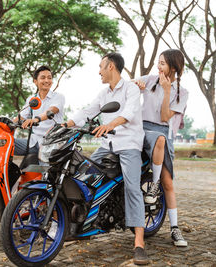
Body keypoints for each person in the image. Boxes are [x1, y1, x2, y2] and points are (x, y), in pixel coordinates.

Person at [65, 53, 151, 265]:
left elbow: (130, 112)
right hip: (107, 145)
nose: (99, 71)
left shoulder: (130, 88)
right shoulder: (104, 93)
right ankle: (85, 221)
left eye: (101, 67)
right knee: (81, 173)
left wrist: (110, 125)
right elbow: (89, 111)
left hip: (129, 144)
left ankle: (139, 243)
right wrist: (65, 125)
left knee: (132, 188)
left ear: (111, 66)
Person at [134, 49, 188, 247]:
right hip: (141, 128)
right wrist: (135, 84)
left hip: (163, 131)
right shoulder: (150, 79)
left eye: (163, 63)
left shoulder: (182, 92)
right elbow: (126, 86)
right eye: (158, 63)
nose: (159, 67)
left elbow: (165, 117)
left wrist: (166, 92)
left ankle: (174, 229)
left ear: (173, 67)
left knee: (168, 183)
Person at [14, 66, 65, 156]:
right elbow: (21, 117)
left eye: (49, 78)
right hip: (33, 141)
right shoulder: (32, 99)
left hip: (51, 143)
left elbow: (52, 110)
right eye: (43, 78)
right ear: (35, 81)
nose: (47, 81)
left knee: (43, 169)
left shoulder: (58, 97)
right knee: (5, 143)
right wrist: (2, 123)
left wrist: (35, 119)